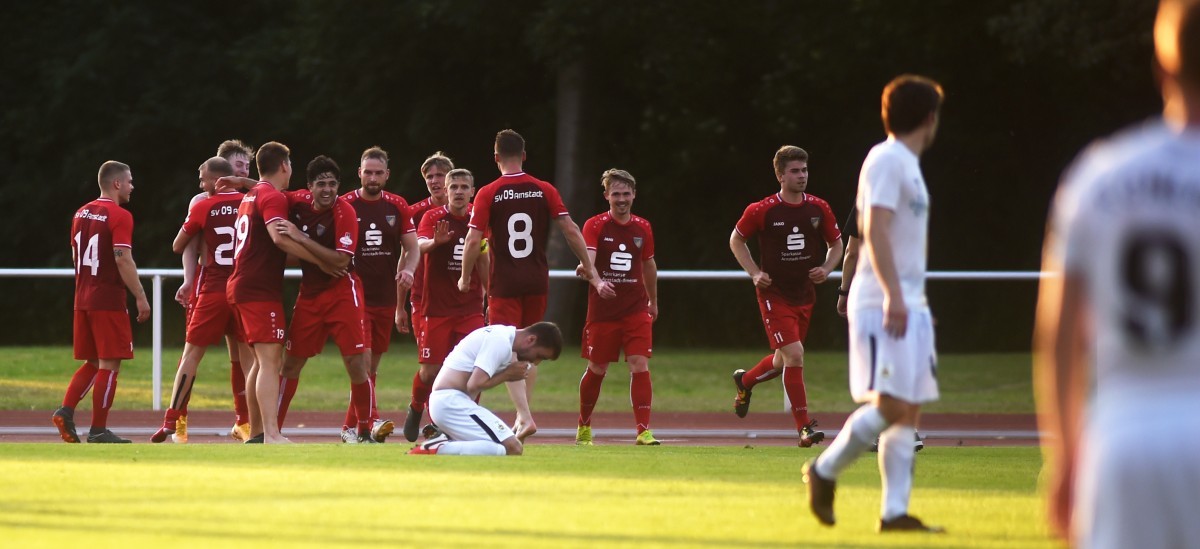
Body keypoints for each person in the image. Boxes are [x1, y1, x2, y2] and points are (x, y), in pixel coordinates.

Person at [1035, 2, 1200, 547]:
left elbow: (1058, 337)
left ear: (1162, 68)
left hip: (1125, 438)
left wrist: (1063, 458)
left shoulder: (1098, 175)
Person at [802, 75, 945, 533]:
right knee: (891, 403)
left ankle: (895, 512)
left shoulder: (907, 164)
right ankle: (824, 470)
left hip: (907, 300)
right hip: (884, 299)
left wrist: (915, 302)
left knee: (910, 406)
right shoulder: (886, 159)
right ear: (929, 117)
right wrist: (896, 297)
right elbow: (874, 232)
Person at [457, 129, 615, 437]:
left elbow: (473, 240)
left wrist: (465, 277)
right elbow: (570, 229)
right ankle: (522, 417)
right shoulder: (543, 189)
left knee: (509, 351)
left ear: (496, 158)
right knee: (531, 351)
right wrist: (591, 269)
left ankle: (524, 416)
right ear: (524, 156)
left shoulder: (488, 192)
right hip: (536, 279)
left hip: (504, 282)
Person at [729, 146, 843, 447]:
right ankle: (804, 427)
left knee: (782, 361)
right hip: (773, 295)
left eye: (804, 170)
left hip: (804, 295)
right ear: (780, 175)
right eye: (795, 171)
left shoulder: (819, 208)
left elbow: (837, 244)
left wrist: (827, 267)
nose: (802, 176)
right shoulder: (762, 210)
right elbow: (736, 240)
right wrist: (754, 272)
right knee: (795, 354)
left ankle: (745, 381)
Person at [225, 141, 329, 444]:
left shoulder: (253, 194)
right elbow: (279, 238)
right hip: (257, 288)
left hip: (242, 284)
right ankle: (270, 432)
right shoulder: (271, 196)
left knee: (259, 362)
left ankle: (256, 432)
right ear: (284, 165)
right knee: (270, 362)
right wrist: (321, 259)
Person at [271, 155, 378, 443]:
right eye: (321, 184)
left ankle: (364, 431)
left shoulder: (344, 212)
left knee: (356, 364)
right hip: (310, 295)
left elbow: (341, 261)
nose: (327, 190)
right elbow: (268, 189)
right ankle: (273, 431)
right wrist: (241, 181)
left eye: (333, 184)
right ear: (309, 187)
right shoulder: (298, 200)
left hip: (343, 292)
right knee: (290, 365)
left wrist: (300, 237)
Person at [151, 157, 250, 443]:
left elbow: (178, 244)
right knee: (250, 361)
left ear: (217, 180)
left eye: (203, 179)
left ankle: (172, 419)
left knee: (191, 354)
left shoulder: (203, 204)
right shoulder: (251, 201)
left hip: (214, 288)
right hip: (244, 290)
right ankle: (254, 423)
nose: (200, 184)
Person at [52, 161, 151, 444]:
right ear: (117, 184)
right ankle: (98, 429)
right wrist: (141, 296)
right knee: (110, 364)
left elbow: (75, 256)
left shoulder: (80, 212)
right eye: (130, 181)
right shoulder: (120, 215)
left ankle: (66, 410)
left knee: (93, 361)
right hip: (107, 298)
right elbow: (122, 257)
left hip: (82, 296)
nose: (133, 186)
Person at [174, 140, 257, 442]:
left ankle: (244, 421)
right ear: (221, 168)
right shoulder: (201, 201)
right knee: (193, 351)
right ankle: (180, 419)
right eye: (238, 166)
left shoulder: (253, 197)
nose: (243, 171)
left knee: (241, 354)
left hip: (241, 285)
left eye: (247, 167)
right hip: (208, 284)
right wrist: (187, 279)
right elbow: (191, 246)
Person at [574, 169, 661, 446]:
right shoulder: (595, 225)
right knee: (597, 368)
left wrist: (653, 301)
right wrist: (597, 282)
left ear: (634, 195)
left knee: (639, 364)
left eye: (626, 193)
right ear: (606, 196)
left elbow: (649, 265)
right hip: (603, 312)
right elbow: (589, 260)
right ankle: (584, 424)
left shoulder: (643, 227)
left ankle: (643, 430)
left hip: (635, 309)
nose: (621, 199)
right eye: (616, 194)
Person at [341, 146, 420, 443]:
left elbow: (412, 248)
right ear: (359, 173)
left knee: (370, 368)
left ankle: (351, 427)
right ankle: (369, 422)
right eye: (367, 172)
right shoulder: (345, 204)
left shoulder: (397, 206)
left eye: (378, 173)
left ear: (387, 175)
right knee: (363, 360)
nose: (372, 177)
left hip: (385, 297)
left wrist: (409, 270)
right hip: (353, 295)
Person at [407, 169, 493, 439]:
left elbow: (482, 257)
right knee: (430, 370)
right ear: (445, 190)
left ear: (472, 191)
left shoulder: (478, 220)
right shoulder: (432, 217)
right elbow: (418, 246)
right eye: (453, 186)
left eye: (463, 187)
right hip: (437, 308)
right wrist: (436, 242)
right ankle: (416, 405)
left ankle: (461, 423)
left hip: (469, 310)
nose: (458, 191)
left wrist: (490, 296)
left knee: (473, 369)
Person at [836, 205, 924, 454]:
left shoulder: (867, 202)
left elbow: (852, 252)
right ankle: (905, 427)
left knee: (877, 366)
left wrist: (843, 291)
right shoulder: (917, 199)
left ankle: (887, 430)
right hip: (909, 293)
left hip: (874, 296)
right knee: (900, 362)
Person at [408, 322, 563, 456]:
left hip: (450, 403)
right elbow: (474, 383)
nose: (536, 362)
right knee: (513, 447)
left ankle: (444, 444)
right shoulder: (500, 342)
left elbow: (514, 377)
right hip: (450, 402)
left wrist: (524, 416)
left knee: (503, 448)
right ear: (531, 340)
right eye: (540, 356)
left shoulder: (505, 338)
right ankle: (439, 447)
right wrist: (506, 375)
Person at [398, 151, 452, 442]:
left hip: (460, 300)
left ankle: (443, 422)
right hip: (423, 298)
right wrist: (400, 305)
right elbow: (406, 256)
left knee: (461, 364)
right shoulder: (416, 212)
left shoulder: (470, 212)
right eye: (429, 176)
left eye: (440, 175)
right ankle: (418, 406)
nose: (435, 181)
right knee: (431, 368)